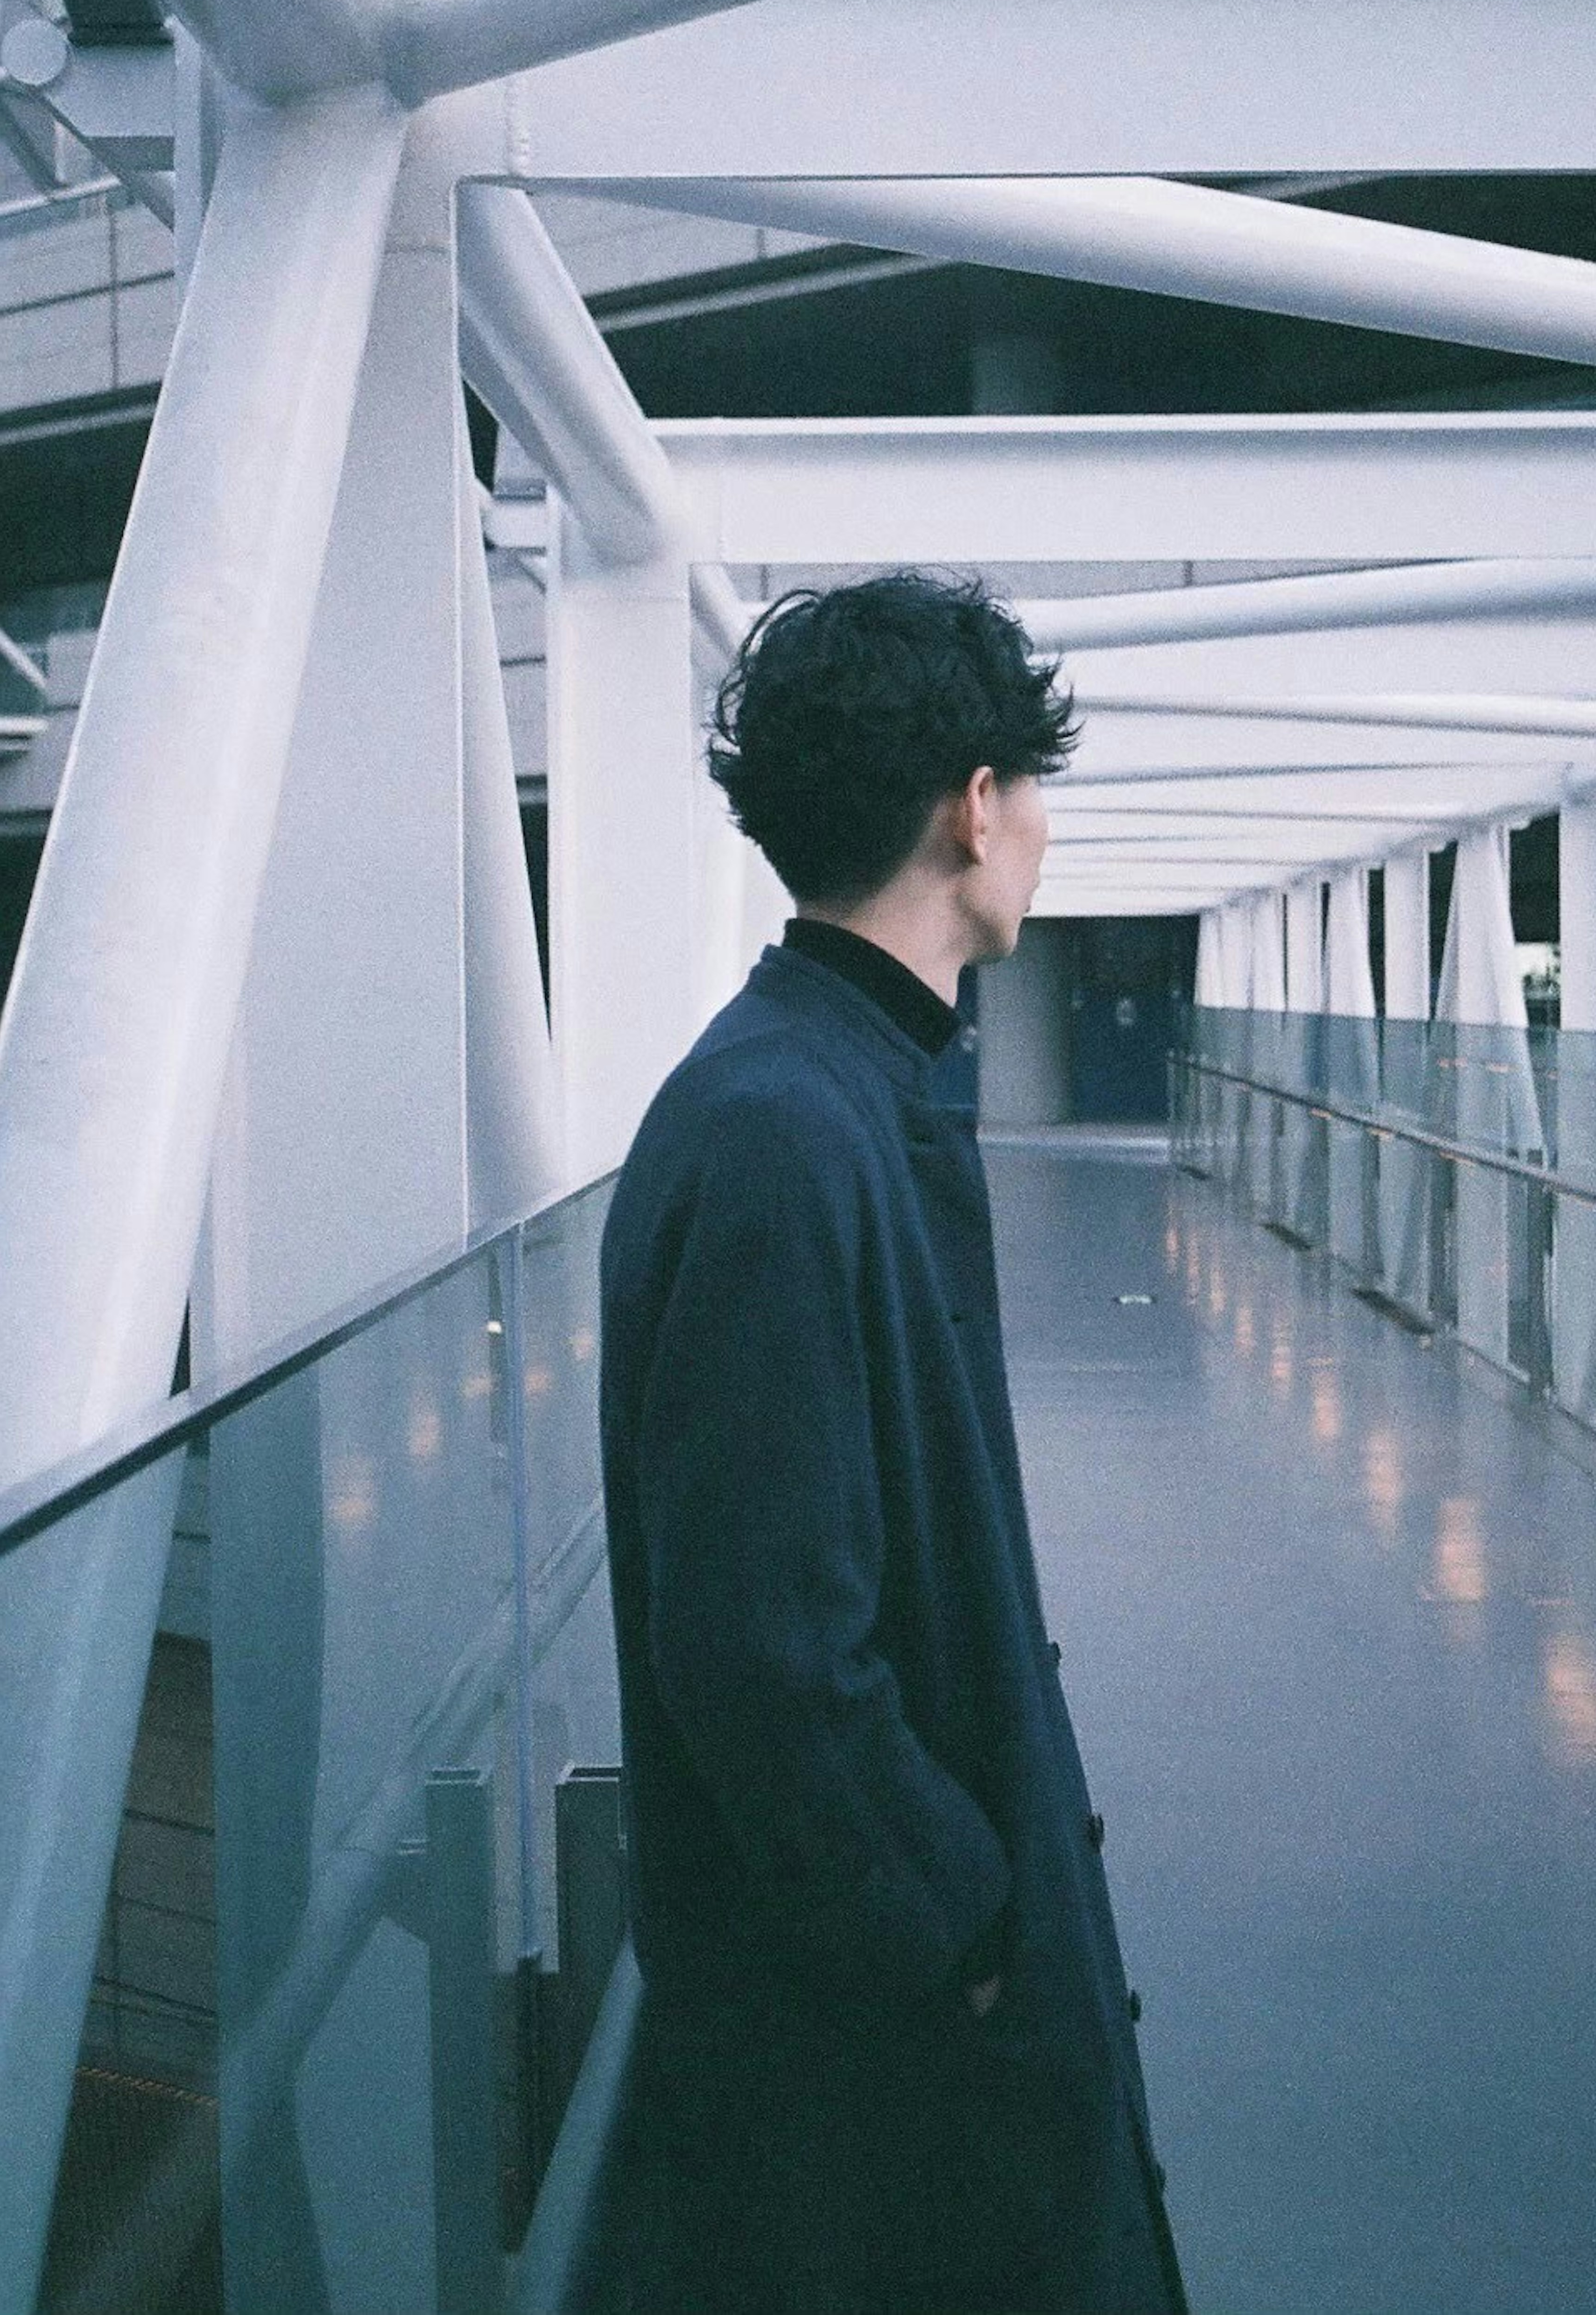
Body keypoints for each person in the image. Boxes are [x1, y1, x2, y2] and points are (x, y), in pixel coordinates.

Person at [598, 572, 1188, 2315]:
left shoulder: (806, 1088)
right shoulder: (795, 1128)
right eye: (1037, 790)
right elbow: (771, 1652)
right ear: (977, 806)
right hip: (881, 2069)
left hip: (863, 2034)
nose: (1045, 833)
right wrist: (977, 1940)